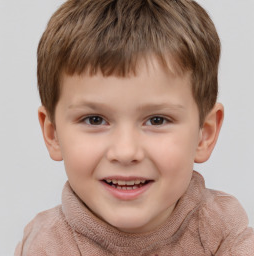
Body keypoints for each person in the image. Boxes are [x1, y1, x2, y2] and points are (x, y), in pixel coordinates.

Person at [15, 0, 254, 255]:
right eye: (95, 120)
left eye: (157, 120)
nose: (126, 151)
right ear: (53, 135)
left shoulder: (222, 230)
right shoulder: (44, 247)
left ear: (204, 134)